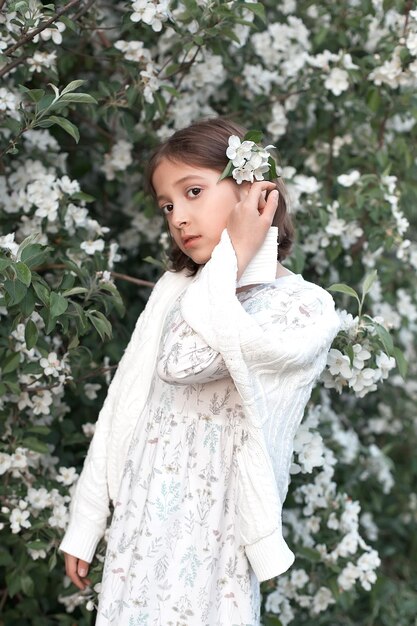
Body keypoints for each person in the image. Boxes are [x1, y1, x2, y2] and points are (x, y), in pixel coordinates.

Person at [60, 117, 341, 625]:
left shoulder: (305, 308)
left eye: (193, 192)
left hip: (215, 533)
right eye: (168, 205)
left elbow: (184, 362)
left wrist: (235, 253)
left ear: (256, 193)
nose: (178, 217)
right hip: (141, 523)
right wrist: (86, 521)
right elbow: (124, 401)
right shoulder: (178, 289)